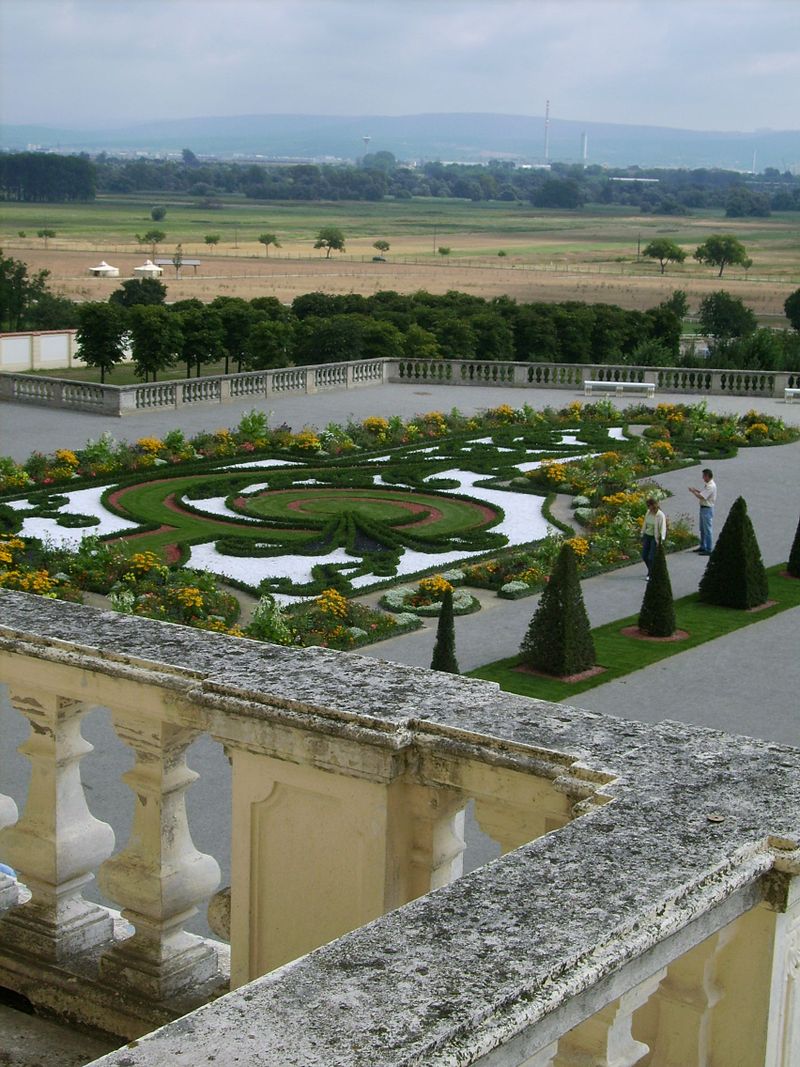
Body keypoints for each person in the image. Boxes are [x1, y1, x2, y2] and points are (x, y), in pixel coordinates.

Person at [689, 468, 717, 555]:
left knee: (707, 529)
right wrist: (696, 490)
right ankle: (703, 546)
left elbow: (702, 497)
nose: (702, 478)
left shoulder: (710, 486)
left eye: (704, 476)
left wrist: (693, 492)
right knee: (702, 529)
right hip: (704, 509)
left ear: (707, 476)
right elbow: (703, 493)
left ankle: (708, 549)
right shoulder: (708, 485)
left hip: (707, 509)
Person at [640, 497, 667, 579]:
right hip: (647, 536)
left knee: (651, 557)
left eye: (649, 506)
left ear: (653, 505)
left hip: (654, 538)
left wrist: (661, 539)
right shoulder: (648, 512)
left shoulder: (660, 515)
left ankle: (651, 574)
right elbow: (645, 523)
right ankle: (652, 570)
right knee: (644, 555)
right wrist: (642, 533)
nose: (648, 507)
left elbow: (663, 528)